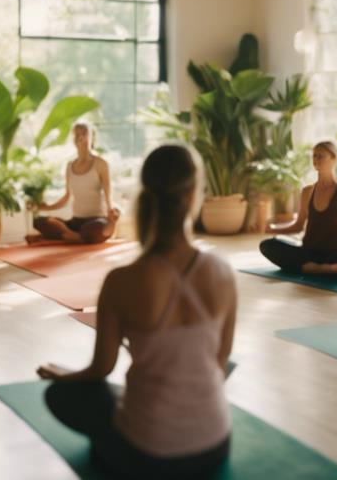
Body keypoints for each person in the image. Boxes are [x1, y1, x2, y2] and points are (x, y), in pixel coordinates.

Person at [36, 144, 237, 479]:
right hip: (214, 446)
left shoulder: (122, 281)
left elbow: (101, 369)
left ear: (147, 196)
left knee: (63, 395)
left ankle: (111, 454)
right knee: (118, 396)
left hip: (149, 457)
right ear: (191, 197)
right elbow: (219, 362)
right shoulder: (223, 273)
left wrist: (64, 375)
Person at [259, 141, 337, 277]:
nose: (316, 160)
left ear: (334, 159)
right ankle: (321, 269)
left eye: (320, 156)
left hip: (336, 254)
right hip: (309, 252)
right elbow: (298, 226)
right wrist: (274, 228)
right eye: (314, 156)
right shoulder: (307, 191)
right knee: (268, 245)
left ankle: (309, 268)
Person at [28, 122, 120, 244]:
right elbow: (66, 197)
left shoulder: (101, 164)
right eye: (76, 134)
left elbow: (108, 196)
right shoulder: (69, 166)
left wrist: (112, 216)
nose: (80, 137)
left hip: (96, 221)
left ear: (91, 136)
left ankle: (68, 236)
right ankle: (75, 236)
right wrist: (44, 207)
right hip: (76, 222)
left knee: (93, 229)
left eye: (84, 133)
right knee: (38, 221)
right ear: (73, 139)